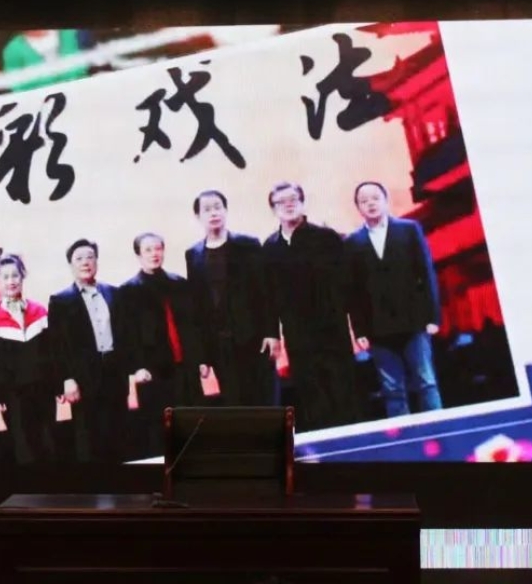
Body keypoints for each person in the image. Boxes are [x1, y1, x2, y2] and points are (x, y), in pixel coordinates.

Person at [261, 182, 359, 431]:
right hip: (297, 334)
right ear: (273, 209)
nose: (288, 205)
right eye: (281, 202)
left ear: (302, 203)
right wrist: (273, 333)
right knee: (311, 393)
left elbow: (347, 283)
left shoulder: (326, 238)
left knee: (342, 390)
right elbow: (268, 296)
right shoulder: (270, 247)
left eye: (293, 199)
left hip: (332, 329)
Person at [344, 181, 443, 418]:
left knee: (426, 382)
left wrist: (433, 316)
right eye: (364, 201)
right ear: (358, 207)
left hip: (415, 321)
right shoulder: (353, 242)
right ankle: (404, 436)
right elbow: (353, 292)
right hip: (377, 329)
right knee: (392, 390)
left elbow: (426, 274)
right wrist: (359, 331)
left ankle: (439, 428)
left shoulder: (408, 230)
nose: (370, 204)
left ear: (385, 200)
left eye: (375, 198)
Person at [185, 189, 279, 407]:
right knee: (234, 400)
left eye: (218, 207)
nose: (213, 213)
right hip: (219, 344)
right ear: (198, 216)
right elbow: (198, 306)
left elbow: (265, 291)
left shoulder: (248, 244)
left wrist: (271, 333)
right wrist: (202, 355)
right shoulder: (193, 254)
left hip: (254, 338)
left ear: (225, 210)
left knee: (264, 398)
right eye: (207, 209)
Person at [116, 232, 205, 458]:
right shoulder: (128, 292)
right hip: (152, 371)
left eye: (158, 248)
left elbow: (194, 327)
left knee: (190, 422)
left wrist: (200, 359)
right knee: (158, 429)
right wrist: (136, 367)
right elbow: (126, 336)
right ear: (138, 255)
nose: (154, 254)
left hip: (185, 367)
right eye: (148, 250)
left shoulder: (179, 284)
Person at [47, 239, 128, 463]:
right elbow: (56, 346)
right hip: (83, 377)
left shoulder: (113, 293)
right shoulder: (60, 301)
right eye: (79, 258)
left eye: (90, 257)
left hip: (114, 373)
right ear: (71, 265)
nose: (86, 262)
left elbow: (124, 335)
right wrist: (66, 378)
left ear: (97, 262)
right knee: (89, 438)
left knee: (118, 433)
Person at [0, 254, 61, 463]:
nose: (11, 281)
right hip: (14, 397)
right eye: (5, 277)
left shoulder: (39, 311)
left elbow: (52, 351)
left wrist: (57, 385)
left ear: (23, 277)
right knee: (24, 447)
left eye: (15, 275)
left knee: (49, 443)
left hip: (43, 391)